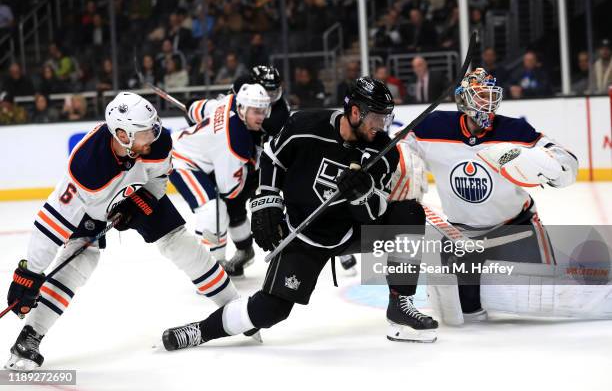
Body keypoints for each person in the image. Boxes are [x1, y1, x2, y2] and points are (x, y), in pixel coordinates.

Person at [161, 77, 439, 351]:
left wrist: (362, 192)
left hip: (351, 231)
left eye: (385, 118)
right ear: (355, 112)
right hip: (304, 234)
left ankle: (400, 302)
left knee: (409, 213)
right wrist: (266, 201)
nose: (381, 126)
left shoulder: (382, 150)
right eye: (376, 118)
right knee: (271, 310)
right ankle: (199, 331)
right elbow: (272, 156)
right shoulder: (305, 125)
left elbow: (372, 212)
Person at [5, 92, 241, 371]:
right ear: (123, 134)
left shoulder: (159, 141)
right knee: (80, 260)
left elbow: (159, 179)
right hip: (91, 210)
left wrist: (142, 202)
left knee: (179, 241)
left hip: (138, 192)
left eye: (154, 127)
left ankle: (235, 308)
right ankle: (29, 337)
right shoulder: (86, 164)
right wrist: (31, 272)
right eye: (145, 132)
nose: (154, 135)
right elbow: (51, 223)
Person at [404, 68, 578, 324]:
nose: (489, 103)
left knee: (542, 305)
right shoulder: (433, 126)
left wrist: (553, 168)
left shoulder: (516, 130)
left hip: (517, 228)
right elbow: (398, 148)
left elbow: (567, 162)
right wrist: (405, 166)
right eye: (481, 95)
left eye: (491, 95)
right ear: (463, 99)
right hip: (463, 234)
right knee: (465, 313)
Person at [169, 84, 271, 278]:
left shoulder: (229, 101)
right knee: (213, 210)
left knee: (221, 208)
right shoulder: (235, 142)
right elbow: (229, 191)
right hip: (180, 159)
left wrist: (192, 107)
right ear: (243, 109)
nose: (262, 116)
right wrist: (250, 173)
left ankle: (226, 259)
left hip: (197, 158)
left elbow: (199, 109)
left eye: (264, 110)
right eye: (256, 111)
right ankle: (209, 270)